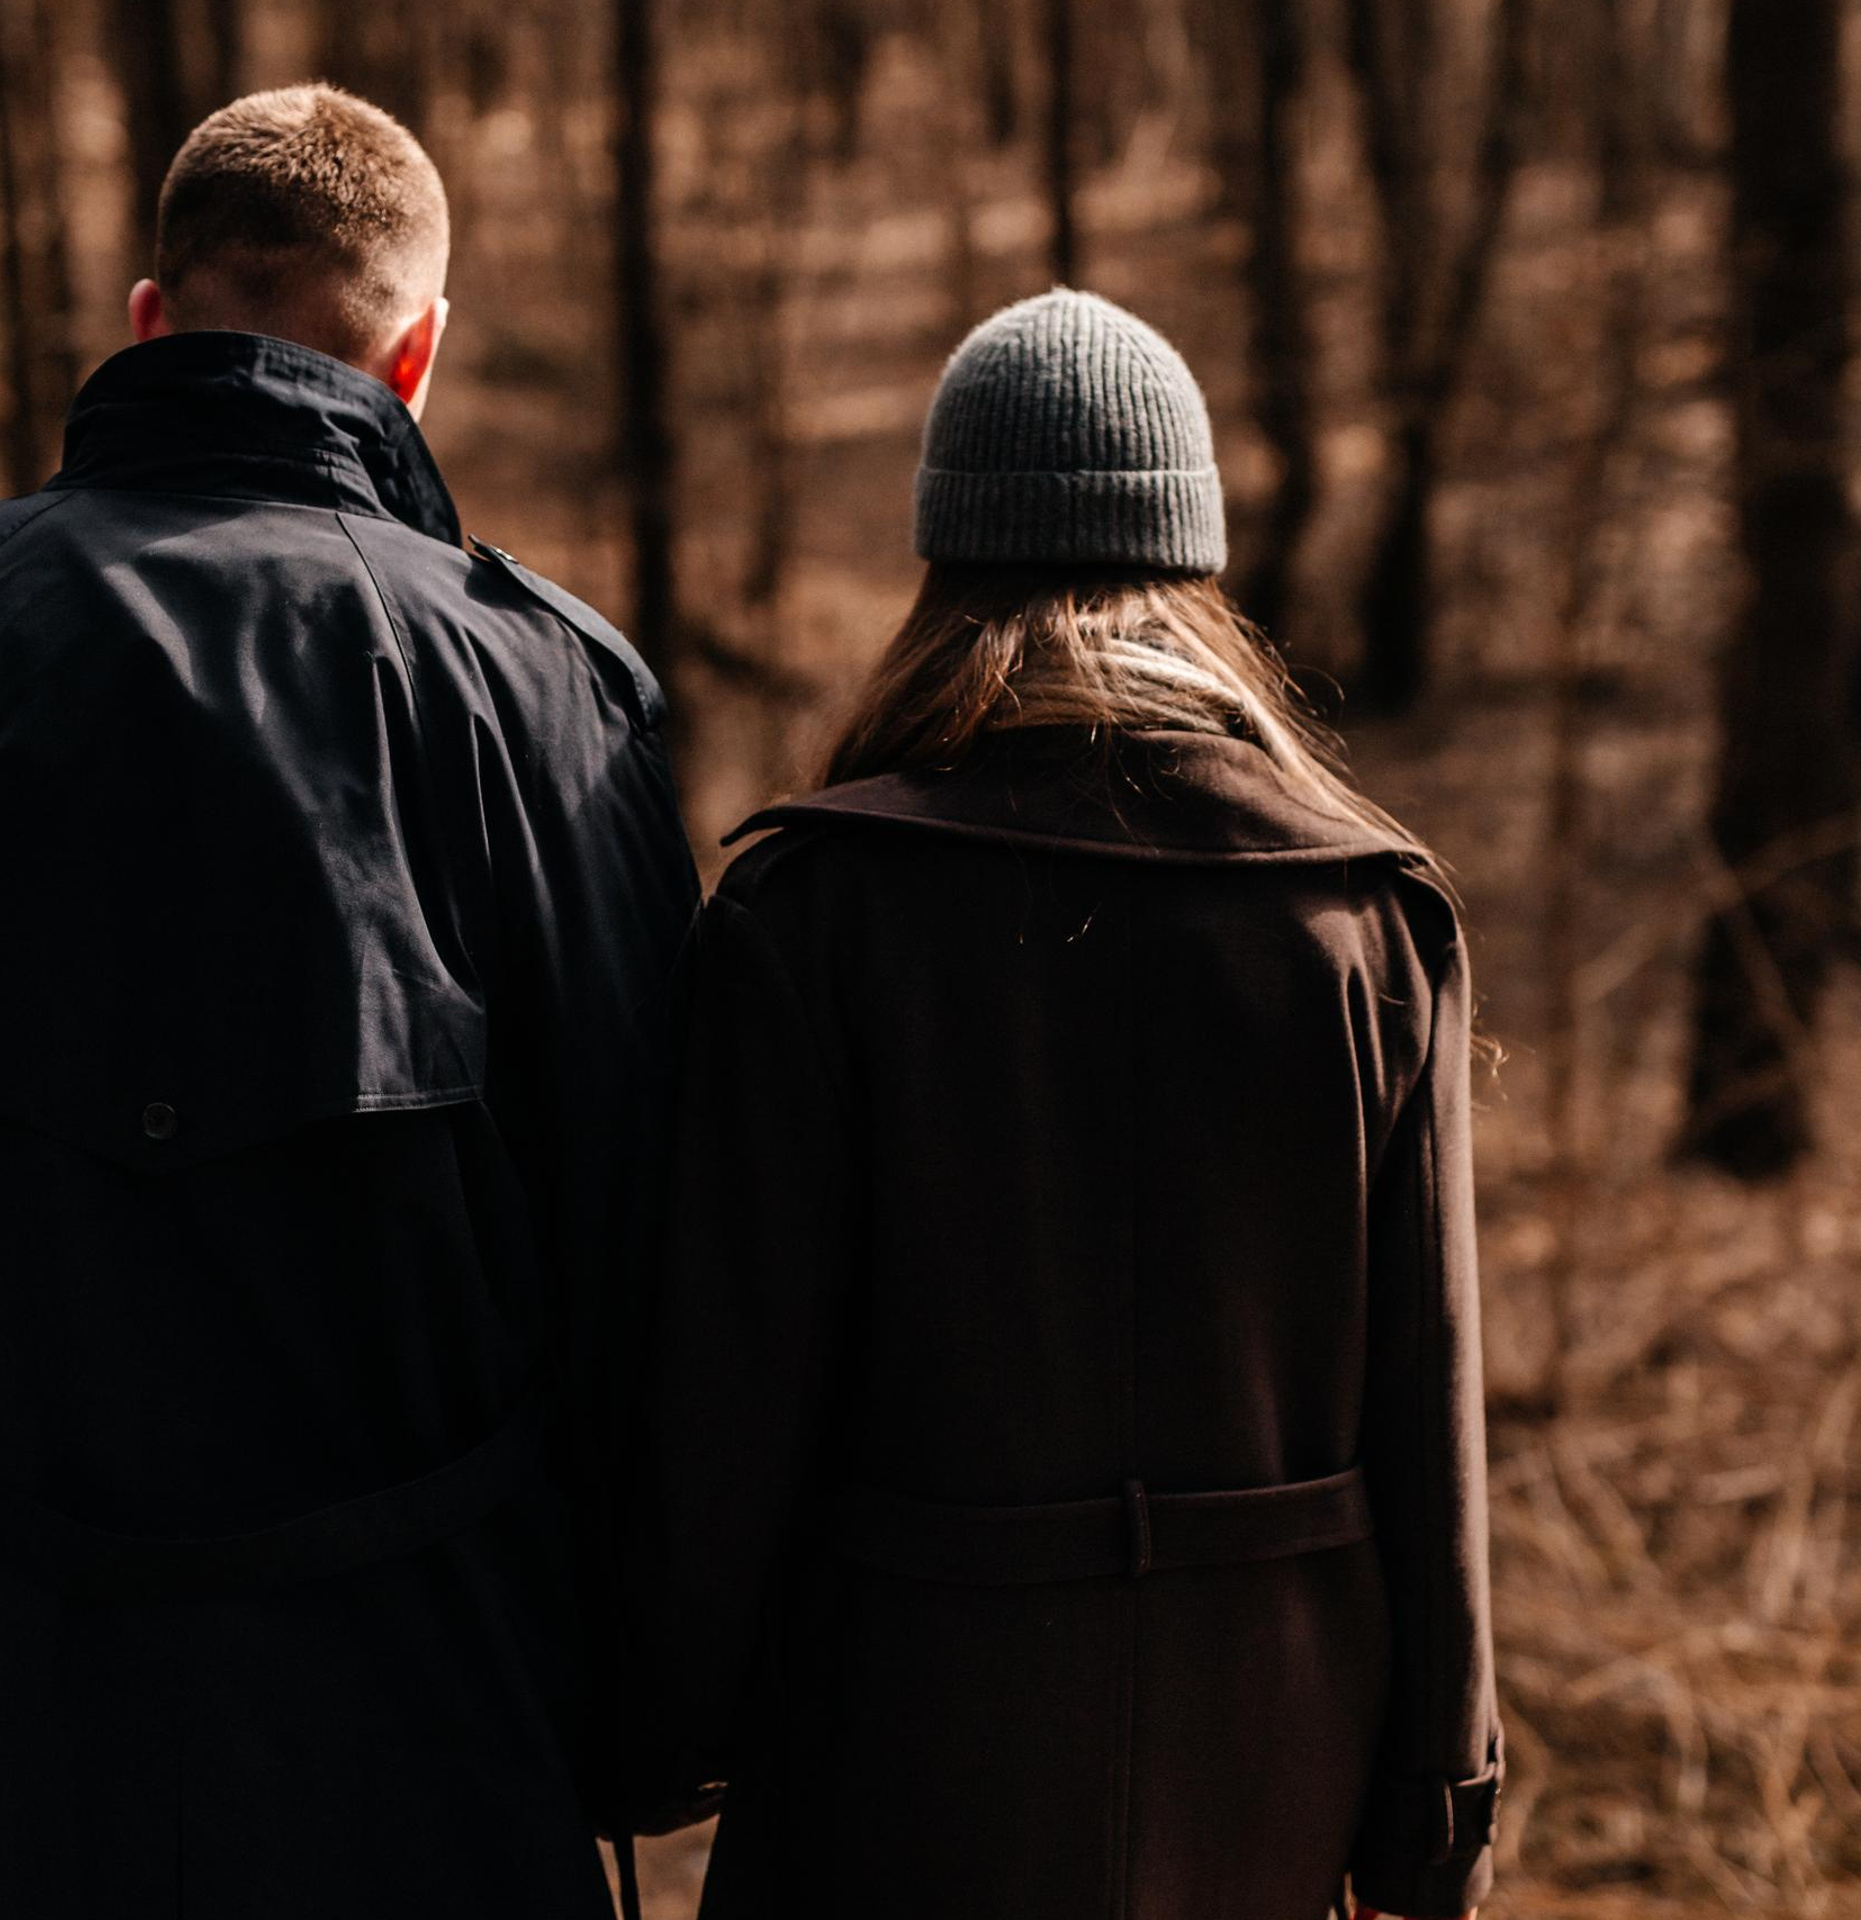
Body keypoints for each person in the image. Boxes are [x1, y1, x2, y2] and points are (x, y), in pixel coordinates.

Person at [643, 290, 1502, 1920]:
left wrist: (652, 1728)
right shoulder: (1364, 919)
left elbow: (726, 1404)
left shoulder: (812, 911)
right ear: (1194, 564)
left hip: (903, 1759)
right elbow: (1427, 1398)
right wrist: (1434, 1806)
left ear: (943, 560)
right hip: (1273, 1752)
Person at [0, 86, 696, 1917]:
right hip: (419, 1734)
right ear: (417, 352)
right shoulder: (536, 693)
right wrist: (640, 1717)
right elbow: (647, 1241)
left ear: (149, 319)